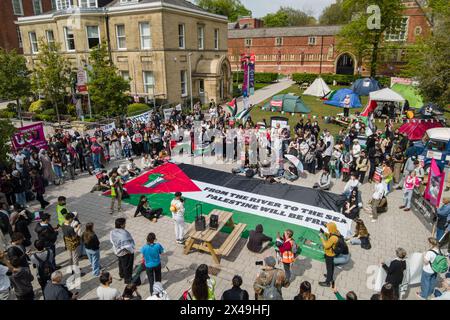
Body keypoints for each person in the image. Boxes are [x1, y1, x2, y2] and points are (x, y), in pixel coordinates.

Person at [110, 218, 135, 284]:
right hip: (125, 253)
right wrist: (131, 251)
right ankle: (128, 280)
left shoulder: (112, 232)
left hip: (118, 251)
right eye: (124, 223)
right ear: (121, 225)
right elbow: (128, 246)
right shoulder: (124, 234)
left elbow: (112, 241)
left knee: (121, 263)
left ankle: (121, 274)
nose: (125, 225)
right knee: (127, 266)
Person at [319, 222, 340, 287]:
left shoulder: (333, 238)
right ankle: (329, 276)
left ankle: (327, 282)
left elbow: (326, 246)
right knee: (331, 267)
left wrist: (321, 237)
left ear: (331, 228)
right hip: (332, 254)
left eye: (328, 227)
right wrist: (324, 233)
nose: (327, 228)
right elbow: (330, 235)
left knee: (329, 267)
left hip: (330, 254)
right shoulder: (336, 232)